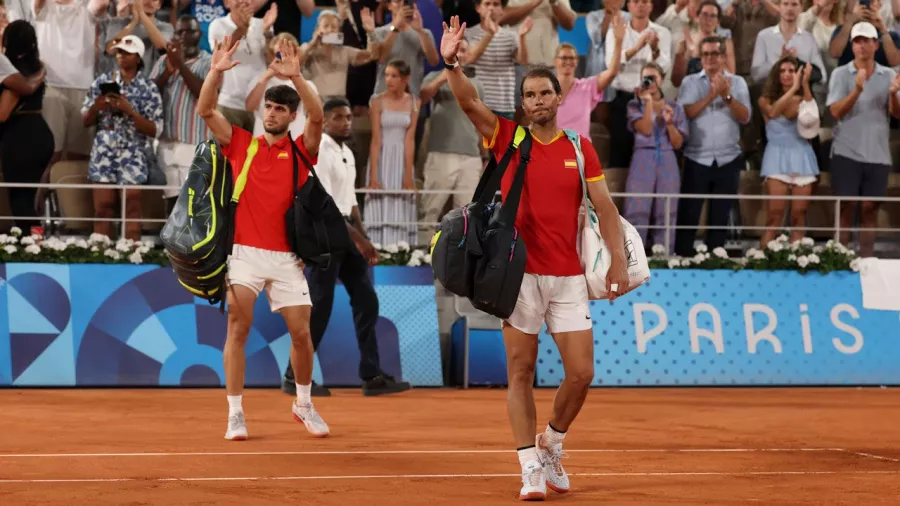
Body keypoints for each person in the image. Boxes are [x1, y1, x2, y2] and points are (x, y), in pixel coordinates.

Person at [439, 15, 631, 501]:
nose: (539, 101)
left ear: (558, 98)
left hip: (568, 276)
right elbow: (467, 99)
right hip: (518, 278)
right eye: (530, 95)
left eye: (546, 93)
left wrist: (619, 262)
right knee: (520, 372)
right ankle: (528, 464)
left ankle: (552, 442)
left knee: (582, 374)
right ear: (522, 103)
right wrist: (451, 62)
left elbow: (604, 209)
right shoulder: (507, 137)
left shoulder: (579, 147)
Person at [197, 35, 329, 440]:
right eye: (268, 107)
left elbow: (319, 117)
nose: (271, 113)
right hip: (245, 254)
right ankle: (235, 413)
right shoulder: (241, 144)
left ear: (291, 117)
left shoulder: (304, 150)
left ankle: (303, 404)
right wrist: (216, 72)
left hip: (287, 258)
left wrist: (298, 78)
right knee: (237, 327)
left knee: (302, 335)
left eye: (279, 109)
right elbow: (206, 109)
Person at [282, 97, 412, 398]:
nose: (346, 122)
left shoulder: (347, 152)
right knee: (319, 309)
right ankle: (293, 376)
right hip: (325, 233)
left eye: (349, 117)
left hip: (347, 233)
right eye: (339, 117)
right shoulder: (322, 151)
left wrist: (364, 237)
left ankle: (372, 375)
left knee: (367, 301)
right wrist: (361, 240)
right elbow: (325, 203)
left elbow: (351, 201)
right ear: (325, 122)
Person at [826, 21, 900, 257]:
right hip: (846, 152)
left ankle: (867, 263)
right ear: (852, 45)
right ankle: (840, 260)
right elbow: (835, 112)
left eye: (867, 41)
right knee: (846, 209)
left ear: (876, 45)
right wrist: (857, 90)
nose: (862, 46)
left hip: (877, 154)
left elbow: (896, 113)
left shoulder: (889, 75)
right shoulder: (840, 73)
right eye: (857, 41)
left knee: (870, 210)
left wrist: (892, 95)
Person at [81, 35, 164, 241]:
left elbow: (155, 129)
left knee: (132, 207)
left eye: (126, 53)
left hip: (133, 151)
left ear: (138, 58)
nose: (120, 56)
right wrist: (98, 106)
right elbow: (85, 120)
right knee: (102, 207)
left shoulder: (149, 88)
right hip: (103, 150)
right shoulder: (103, 81)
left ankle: (131, 254)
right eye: (118, 52)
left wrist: (130, 111)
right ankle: (101, 254)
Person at [622, 62, 688, 254]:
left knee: (667, 211)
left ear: (661, 79)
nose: (649, 81)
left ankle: (664, 256)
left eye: (653, 77)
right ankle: (633, 259)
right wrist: (648, 102)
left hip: (667, 158)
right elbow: (646, 128)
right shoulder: (634, 104)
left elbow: (678, 143)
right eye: (646, 77)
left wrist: (669, 124)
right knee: (637, 209)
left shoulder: (675, 106)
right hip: (643, 156)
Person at [758, 58, 819, 245]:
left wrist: (805, 85)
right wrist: (794, 88)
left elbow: (811, 114)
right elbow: (774, 112)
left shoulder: (804, 99)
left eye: (792, 70)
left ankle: (796, 263)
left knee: (798, 216)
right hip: (776, 156)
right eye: (782, 70)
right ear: (776, 75)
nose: (786, 74)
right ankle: (762, 263)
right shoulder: (764, 100)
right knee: (774, 216)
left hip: (802, 156)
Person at [0, 20, 54, 232]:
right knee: (27, 197)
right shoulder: (36, 67)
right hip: (39, 135)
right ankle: (36, 242)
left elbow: (3, 113)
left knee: (20, 199)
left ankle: (33, 248)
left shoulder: (13, 72)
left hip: (21, 139)